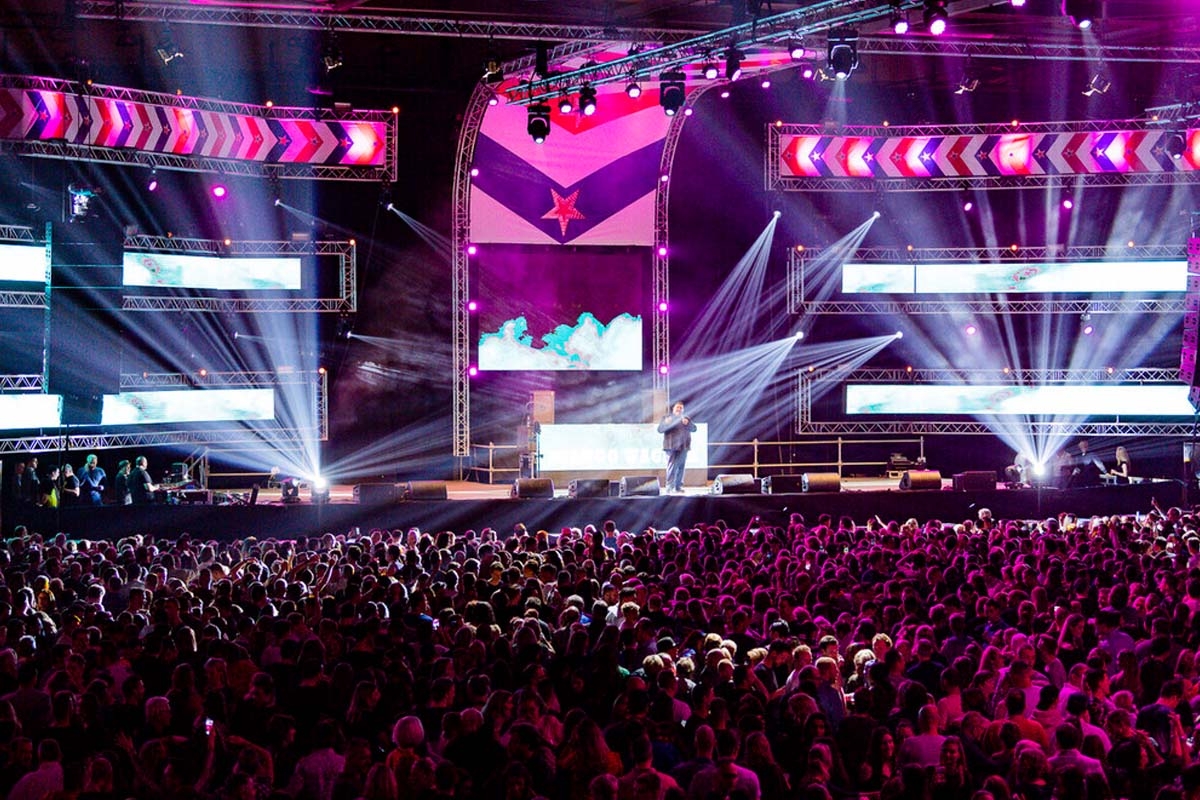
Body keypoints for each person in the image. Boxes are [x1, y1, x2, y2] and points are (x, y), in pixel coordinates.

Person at [657, 401, 697, 495]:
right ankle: (669, 487)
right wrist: (666, 423)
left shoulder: (686, 418)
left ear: (683, 410)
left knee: (681, 467)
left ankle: (678, 487)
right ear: (673, 409)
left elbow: (694, 429)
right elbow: (660, 430)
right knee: (672, 466)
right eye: (677, 407)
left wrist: (688, 423)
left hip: (684, 446)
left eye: (681, 408)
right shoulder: (667, 418)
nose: (679, 409)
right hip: (671, 446)